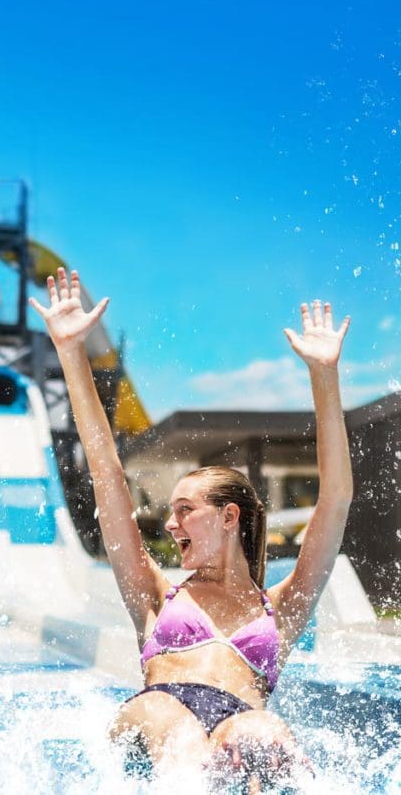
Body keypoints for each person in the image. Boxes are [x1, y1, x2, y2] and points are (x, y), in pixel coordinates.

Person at [29, 269, 352, 786]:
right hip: (156, 716)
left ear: (229, 517)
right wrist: (72, 353)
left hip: (238, 717)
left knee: (266, 735)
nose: (170, 522)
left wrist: (324, 376)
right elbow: (106, 470)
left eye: (185, 509)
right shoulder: (155, 592)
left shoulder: (283, 604)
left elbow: (335, 498)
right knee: (179, 731)